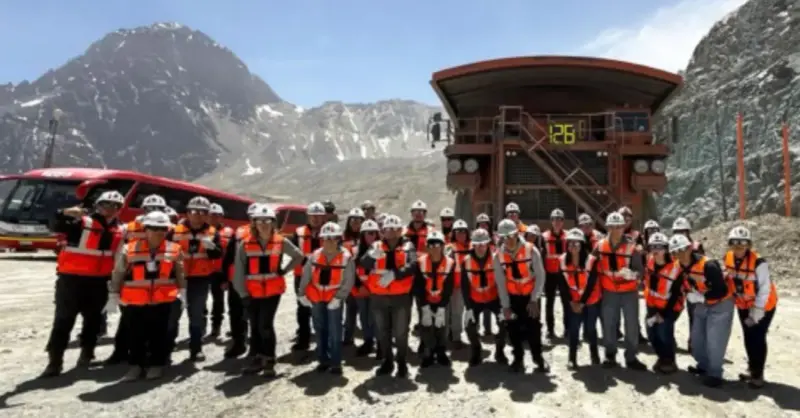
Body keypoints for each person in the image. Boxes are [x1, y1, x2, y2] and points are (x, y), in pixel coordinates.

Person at [41, 190, 125, 378]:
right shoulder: (81, 222)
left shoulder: (121, 229)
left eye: (115, 206)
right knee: (63, 320)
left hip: (99, 282)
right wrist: (63, 213)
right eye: (106, 204)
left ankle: (87, 354)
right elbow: (54, 225)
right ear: (98, 205)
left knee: (93, 321)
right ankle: (55, 362)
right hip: (71, 280)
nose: (110, 209)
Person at [106, 211, 187, 381]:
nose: (158, 232)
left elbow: (180, 273)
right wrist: (113, 295)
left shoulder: (174, 249)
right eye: (154, 228)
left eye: (162, 228)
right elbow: (118, 272)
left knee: (159, 334)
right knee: (136, 335)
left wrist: (183, 292)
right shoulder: (129, 248)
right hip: (135, 302)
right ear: (146, 229)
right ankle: (135, 366)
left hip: (163, 300)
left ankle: (156, 365)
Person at [231, 204, 304, 376]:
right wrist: (242, 293)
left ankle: (269, 360)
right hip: (252, 293)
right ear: (254, 223)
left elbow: (299, 256)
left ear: (273, 223)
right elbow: (239, 272)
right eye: (259, 221)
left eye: (267, 221)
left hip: (272, 292)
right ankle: (257, 358)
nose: (263, 224)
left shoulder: (280, 241)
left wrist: (284, 270)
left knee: (265, 325)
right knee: (255, 326)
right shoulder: (245, 244)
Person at [104, 193, 168, 366]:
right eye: (150, 208)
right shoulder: (128, 228)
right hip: (132, 279)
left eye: (158, 209)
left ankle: (148, 355)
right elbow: (119, 252)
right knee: (128, 321)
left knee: (153, 321)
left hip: (157, 279)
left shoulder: (168, 227)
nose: (154, 211)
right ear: (143, 209)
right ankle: (120, 352)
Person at [669, 234, 733, 387]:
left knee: (715, 340)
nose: (680, 254)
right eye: (676, 251)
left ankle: (715, 374)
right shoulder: (678, 266)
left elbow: (721, 291)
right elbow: (676, 287)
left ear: (690, 248)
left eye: (683, 249)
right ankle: (703, 366)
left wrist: (700, 298)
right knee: (697, 339)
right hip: (702, 302)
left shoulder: (709, 265)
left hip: (721, 304)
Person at [360, 215, 417, 378]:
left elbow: (413, 266)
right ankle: (387, 361)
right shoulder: (376, 246)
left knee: (400, 332)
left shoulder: (408, 246)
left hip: (401, 297)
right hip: (379, 296)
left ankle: (401, 362)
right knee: (382, 332)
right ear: (383, 231)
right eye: (387, 229)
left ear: (400, 231)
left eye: (394, 228)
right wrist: (371, 256)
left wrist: (395, 274)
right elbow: (363, 264)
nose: (390, 232)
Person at [167, 196, 222, 361]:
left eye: (203, 212)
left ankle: (196, 349)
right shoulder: (174, 231)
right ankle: (167, 349)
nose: (198, 215)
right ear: (188, 213)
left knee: (196, 316)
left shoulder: (212, 232)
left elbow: (218, 254)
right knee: (172, 315)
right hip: (176, 279)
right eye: (194, 211)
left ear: (207, 214)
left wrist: (212, 248)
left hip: (200, 280)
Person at [724, 226, 778, 388]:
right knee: (748, 336)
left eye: (743, 244)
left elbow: (765, 288)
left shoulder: (759, 263)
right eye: (735, 244)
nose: (739, 247)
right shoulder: (727, 258)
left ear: (748, 245)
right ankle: (751, 367)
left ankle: (758, 373)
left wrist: (758, 309)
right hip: (743, 304)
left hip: (763, 306)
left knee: (757, 337)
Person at [298, 222, 356, 375]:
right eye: (326, 238)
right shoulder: (315, 256)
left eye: (333, 238)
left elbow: (348, 281)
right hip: (317, 298)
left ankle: (336, 362)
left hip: (334, 299)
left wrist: (339, 298)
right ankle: (323, 360)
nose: (329, 241)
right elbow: (306, 276)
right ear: (321, 239)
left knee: (335, 330)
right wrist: (301, 293)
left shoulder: (346, 258)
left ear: (338, 239)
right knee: (319, 328)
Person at [494, 219, 549, 373]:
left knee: (534, 329)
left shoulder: (531, 250)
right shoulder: (498, 256)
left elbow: (540, 276)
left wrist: (534, 299)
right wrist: (505, 306)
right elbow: (500, 282)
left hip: (529, 296)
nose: (508, 240)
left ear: (517, 234)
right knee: (513, 328)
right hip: (512, 297)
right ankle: (518, 358)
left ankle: (538, 358)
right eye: (504, 237)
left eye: (510, 236)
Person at [593, 212, 647, 370]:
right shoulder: (600, 245)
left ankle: (631, 357)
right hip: (609, 292)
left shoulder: (632, 247)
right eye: (612, 227)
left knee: (631, 325)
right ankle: (610, 355)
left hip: (629, 292)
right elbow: (590, 264)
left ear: (624, 227)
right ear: (607, 228)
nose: (616, 230)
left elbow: (640, 271)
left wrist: (633, 274)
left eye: (619, 227)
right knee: (609, 324)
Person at [461, 228, 508, 367]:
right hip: (475, 300)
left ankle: (500, 351)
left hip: (494, 298)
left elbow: (502, 281)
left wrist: (504, 304)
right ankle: (476, 351)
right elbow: (464, 286)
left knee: (505, 323)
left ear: (488, 243)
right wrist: (468, 307)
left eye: (483, 244)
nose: (480, 247)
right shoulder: (466, 261)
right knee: (469, 326)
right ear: (473, 245)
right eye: (477, 244)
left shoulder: (496, 258)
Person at [643, 232, 684, 374]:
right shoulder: (649, 261)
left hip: (670, 307)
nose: (655, 250)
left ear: (666, 249)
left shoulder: (676, 267)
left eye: (659, 247)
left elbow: (676, 294)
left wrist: (663, 314)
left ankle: (669, 361)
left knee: (664, 331)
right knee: (651, 332)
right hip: (652, 304)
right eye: (652, 247)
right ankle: (661, 357)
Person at [560, 228, 601, 369]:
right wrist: (572, 302)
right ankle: (572, 358)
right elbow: (562, 285)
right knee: (574, 329)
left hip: (590, 301)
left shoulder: (591, 261)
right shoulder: (562, 261)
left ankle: (594, 355)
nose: (573, 247)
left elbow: (591, 284)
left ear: (582, 245)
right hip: (573, 301)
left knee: (590, 329)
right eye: (570, 243)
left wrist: (582, 303)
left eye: (576, 244)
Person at [414, 231, 455, 368]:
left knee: (442, 327)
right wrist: (424, 307)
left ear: (443, 246)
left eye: (437, 244)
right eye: (430, 244)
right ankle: (429, 352)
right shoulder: (420, 262)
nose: (434, 247)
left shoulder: (450, 263)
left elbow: (449, 287)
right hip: (425, 300)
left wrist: (442, 307)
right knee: (427, 327)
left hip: (442, 300)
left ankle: (441, 352)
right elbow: (418, 286)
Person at [290, 202, 327, 351]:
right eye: (313, 216)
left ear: (323, 217)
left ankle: (323, 341)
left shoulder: (329, 232)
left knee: (323, 308)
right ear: (308, 216)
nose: (316, 219)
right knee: (303, 308)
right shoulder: (298, 232)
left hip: (323, 276)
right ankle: (304, 339)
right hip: (302, 276)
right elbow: (291, 252)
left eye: (318, 216)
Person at [350, 219, 381, 357]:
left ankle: (381, 344)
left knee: (376, 318)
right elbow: (351, 270)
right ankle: (368, 341)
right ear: (362, 235)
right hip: (361, 290)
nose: (371, 236)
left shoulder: (381, 250)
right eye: (368, 233)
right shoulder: (355, 250)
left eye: (374, 233)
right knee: (364, 317)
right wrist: (358, 285)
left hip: (377, 290)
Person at [541, 209, 569, 339]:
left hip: (564, 275)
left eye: (560, 219)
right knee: (549, 303)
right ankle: (550, 330)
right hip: (550, 274)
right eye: (554, 219)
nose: (557, 222)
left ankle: (567, 329)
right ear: (551, 221)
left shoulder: (568, 236)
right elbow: (541, 256)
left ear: (563, 222)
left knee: (566, 302)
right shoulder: (544, 236)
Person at [208, 203, 234, 338]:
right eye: (211, 215)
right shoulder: (204, 231)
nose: (214, 218)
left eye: (217, 215)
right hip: (207, 271)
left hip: (224, 272)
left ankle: (228, 327)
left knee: (228, 301)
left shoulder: (230, 232)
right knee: (211, 302)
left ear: (222, 217)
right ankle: (211, 326)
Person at [445, 219, 470, 348]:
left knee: (463, 312)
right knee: (455, 312)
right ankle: (455, 337)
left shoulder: (471, 246)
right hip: (455, 286)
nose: (461, 234)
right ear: (453, 233)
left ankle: (459, 334)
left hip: (469, 286)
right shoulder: (450, 248)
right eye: (458, 232)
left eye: (463, 231)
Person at [342, 208, 365, 347]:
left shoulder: (367, 236)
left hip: (364, 280)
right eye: (353, 220)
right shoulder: (342, 237)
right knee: (350, 310)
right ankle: (348, 337)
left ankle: (369, 339)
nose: (356, 223)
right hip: (348, 280)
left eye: (359, 221)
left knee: (366, 313)